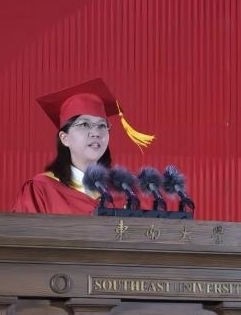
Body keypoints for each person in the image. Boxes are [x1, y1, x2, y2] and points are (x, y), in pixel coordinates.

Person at [13, 78, 154, 214]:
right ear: (64, 138)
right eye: (85, 124)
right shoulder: (41, 190)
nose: (96, 133)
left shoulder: (129, 190)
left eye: (102, 125)